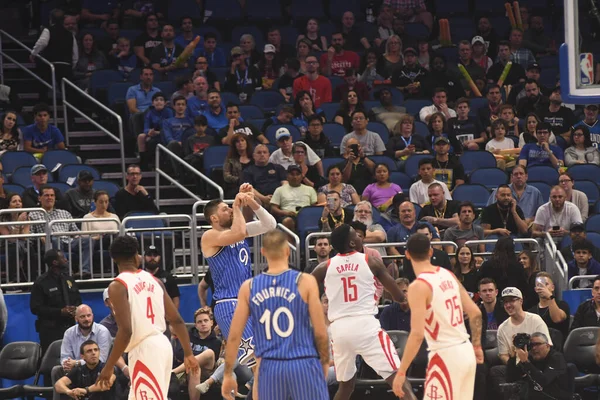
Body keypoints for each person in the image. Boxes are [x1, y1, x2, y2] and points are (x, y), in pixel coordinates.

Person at [221, 230, 329, 400]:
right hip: (302, 362)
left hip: (269, 367)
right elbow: (320, 332)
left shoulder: (248, 287)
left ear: (263, 252)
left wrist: (228, 374)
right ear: (287, 251)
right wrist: (324, 362)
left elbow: (234, 336)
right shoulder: (306, 281)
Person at [311, 224, 414, 400]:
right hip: (365, 326)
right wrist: (403, 299)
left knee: (346, 386)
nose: (361, 238)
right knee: (398, 378)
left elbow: (302, 290)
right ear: (352, 243)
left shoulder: (325, 267)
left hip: (339, 330)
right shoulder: (369, 261)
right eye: (357, 236)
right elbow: (397, 294)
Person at [96, 236, 199, 398]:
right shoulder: (155, 280)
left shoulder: (117, 286)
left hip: (145, 350)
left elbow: (126, 331)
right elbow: (177, 320)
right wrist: (188, 353)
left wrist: (108, 367)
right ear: (137, 256)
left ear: (114, 259)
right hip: (163, 345)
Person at [391, 233, 483, 399]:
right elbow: (475, 312)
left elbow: (417, 334)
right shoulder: (448, 274)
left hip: (445, 355)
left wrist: (401, 371)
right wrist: (476, 345)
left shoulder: (418, 286)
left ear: (407, 254)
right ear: (431, 252)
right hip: (466, 350)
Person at [200, 188, 277, 369]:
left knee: (267, 361)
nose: (229, 210)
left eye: (229, 207)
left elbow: (270, 224)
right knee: (261, 365)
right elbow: (240, 233)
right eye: (224, 209)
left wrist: (250, 201)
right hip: (229, 304)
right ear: (214, 219)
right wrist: (236, 205)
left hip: (248, 301)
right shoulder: (210, 236)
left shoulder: (238, 230)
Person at [489, 287, 553, 392]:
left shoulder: (535, 320)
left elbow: (547, 347)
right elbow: (503, 355)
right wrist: (514, 362)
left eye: (512, 301)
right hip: (516, 366)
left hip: (535, 364)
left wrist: (527, 360)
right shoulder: (502, 328)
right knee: (495, 371)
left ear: (521, 301)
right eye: (505, 302)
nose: (508, 305)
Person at [30, 187, 92, 276]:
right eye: (46, 195)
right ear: (39, 198)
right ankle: (67, 271)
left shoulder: (65, 213)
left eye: (52, 195)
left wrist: (80, 237)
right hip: (50, 243)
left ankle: (84, 270)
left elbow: (75, 232)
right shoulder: (33, 214)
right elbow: (30, 233)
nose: (50, 198)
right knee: (56, 239)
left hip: (69, 241)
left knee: (87, 240)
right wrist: (40, 236)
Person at [30, 249, 82, 353]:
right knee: (51, 361)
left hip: (71, 328)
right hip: (51, 331)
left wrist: (75, 309)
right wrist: (60, 312)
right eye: (63, 258)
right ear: (55, 262)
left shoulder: (69, 279)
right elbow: (35, 308)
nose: (66, 260)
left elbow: (78, 300)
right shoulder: (41, 282)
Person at [171, 307, 222, 400]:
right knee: (195, 367)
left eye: (206, 320)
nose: (203, 323)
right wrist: (195, 357)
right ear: (196, 325)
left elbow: (212, 358)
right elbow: (178, 352)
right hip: (187, 370)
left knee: (209, 353)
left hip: (206, 372)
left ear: (211, 323)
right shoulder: (187, 336)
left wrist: (190, 354)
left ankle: (172, 373)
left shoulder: (216, 342)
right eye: (199, 322)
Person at [506, 332, 572, 400]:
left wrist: (526, 362)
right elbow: (511, 378)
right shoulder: (530, 358)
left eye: (537, 344)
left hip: (554, 396)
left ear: (547, 346)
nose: (534, 348)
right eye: (531, 345)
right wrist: (512, 358)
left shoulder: (557, 358)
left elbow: (543, 381)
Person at [270, 164, 318, 231]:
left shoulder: (310, 189)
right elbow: (273, 208)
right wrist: (286, 213)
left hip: (306, 215)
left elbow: (314, 207)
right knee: (288, 221)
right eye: (292, 174)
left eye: (297, 174)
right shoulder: (279, 190)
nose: (295, 177)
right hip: (287, 215)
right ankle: (292, 241)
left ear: (302, 176)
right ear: (287, 176)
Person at [528, 272, 570, 340]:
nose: (543, 287)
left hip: (558, 346)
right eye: (539, 285)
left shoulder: (562, 305)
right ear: (536, 289)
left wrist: (550, 296)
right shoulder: (531, 311)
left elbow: (557, 319)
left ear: (552, 287)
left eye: (546, 284)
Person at [223, 133, 253, 198]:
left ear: (246, 142)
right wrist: (240, 180)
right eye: (237, 141)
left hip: (253, 185)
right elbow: (226, 176)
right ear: (234, 145)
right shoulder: (230, 159)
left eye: (242, 140)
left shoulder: (253, 158)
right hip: (236, 187)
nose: (240, 143)